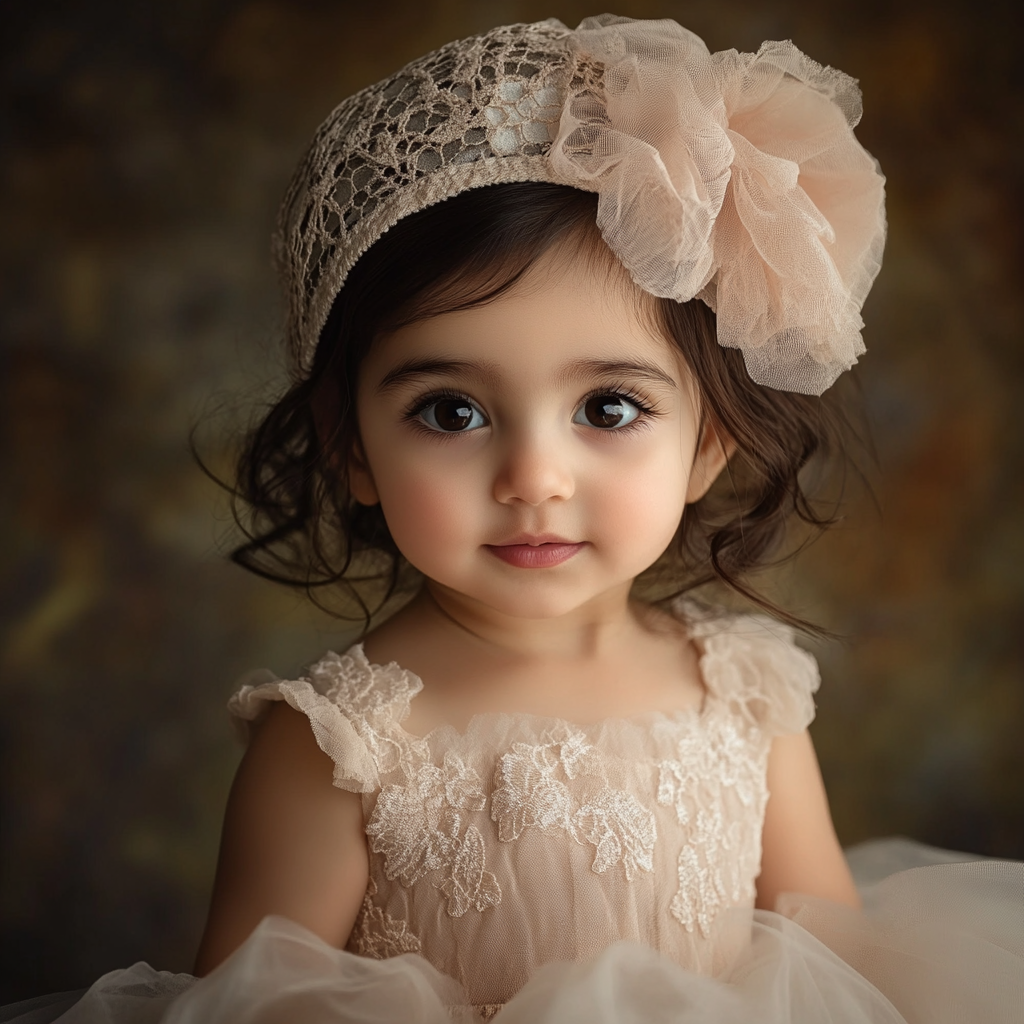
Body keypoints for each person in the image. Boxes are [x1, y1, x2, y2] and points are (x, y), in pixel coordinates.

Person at [6, 14, 1022, 1024]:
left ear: (709, 441)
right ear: (352, 445)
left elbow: (836, 973)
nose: (533, 477)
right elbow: (250, 1007)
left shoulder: (747, 699)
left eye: (608, 407)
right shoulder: (341, 747)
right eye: (450, 411)